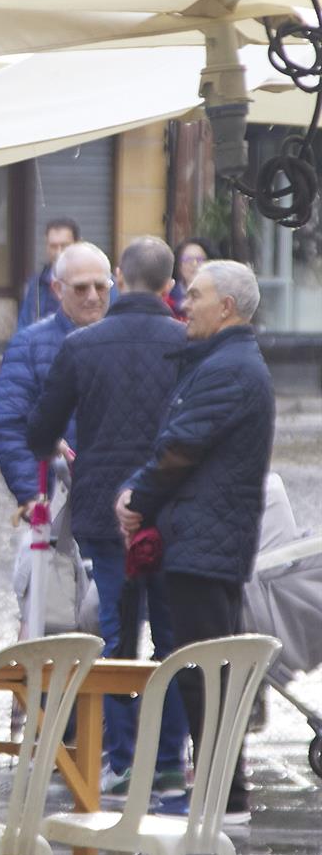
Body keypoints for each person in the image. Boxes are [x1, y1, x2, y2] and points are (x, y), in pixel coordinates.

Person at [26, 237, 188, 798]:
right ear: (169, 285)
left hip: (102, 510)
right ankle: (169, 763)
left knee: (116, 636)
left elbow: (39, 432)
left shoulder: (82, 345)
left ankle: (121, 759)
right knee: (172, 639)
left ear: (119, 277)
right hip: (171, 510)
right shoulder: (189, 342)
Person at [117, 260, 274, 824]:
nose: (184, 301)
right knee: (202, 672)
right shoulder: (220, 361)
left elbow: (181, 447)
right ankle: (219, 793)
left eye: (197, 294)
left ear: (226, 307)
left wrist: (137, 501)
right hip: (202, 541)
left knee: (206, 674)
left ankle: (221, 798)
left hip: (205, 547)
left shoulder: (229, 368)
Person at [0, 241, 113, 510]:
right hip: (58, 501)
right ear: (57, 289)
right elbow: (7, 424)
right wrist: (32, 493)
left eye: (101, 286)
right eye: (81, 288)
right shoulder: (29, 344)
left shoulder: (127, 340)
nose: (93, 296)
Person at [16, 217, 80, 329]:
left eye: (64, 245)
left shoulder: (96, 282)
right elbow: (23, 330)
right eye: (53, 246)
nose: (59, 252)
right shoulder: (36, 285)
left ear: (78, 244)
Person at [169, 236, 215, 318]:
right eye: (187, 259)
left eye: (199, 259)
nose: (194, 264)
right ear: (179, 265)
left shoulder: (216, 295)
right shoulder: (169, 296)